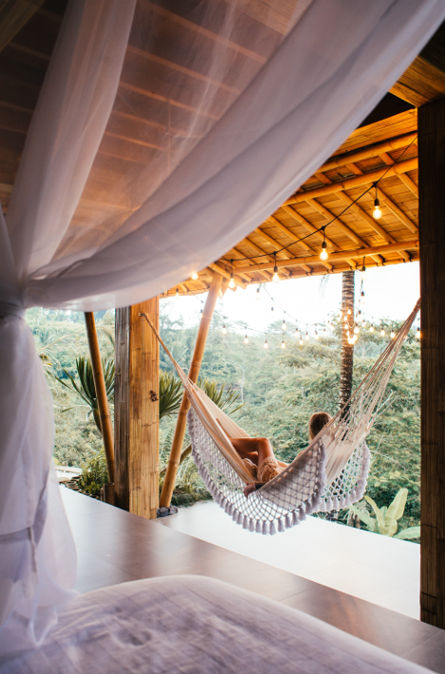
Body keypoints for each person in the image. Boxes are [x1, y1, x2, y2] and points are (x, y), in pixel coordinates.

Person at [230, 411, 332, 497]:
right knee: (255, 457)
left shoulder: (310, 454)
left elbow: (286, 481)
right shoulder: (325, 453)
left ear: (312, 430)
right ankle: (222, 439)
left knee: (263, 442)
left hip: (272, 478)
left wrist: (256, 486)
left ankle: (222, 439)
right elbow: (292, 469)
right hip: (277, 476)